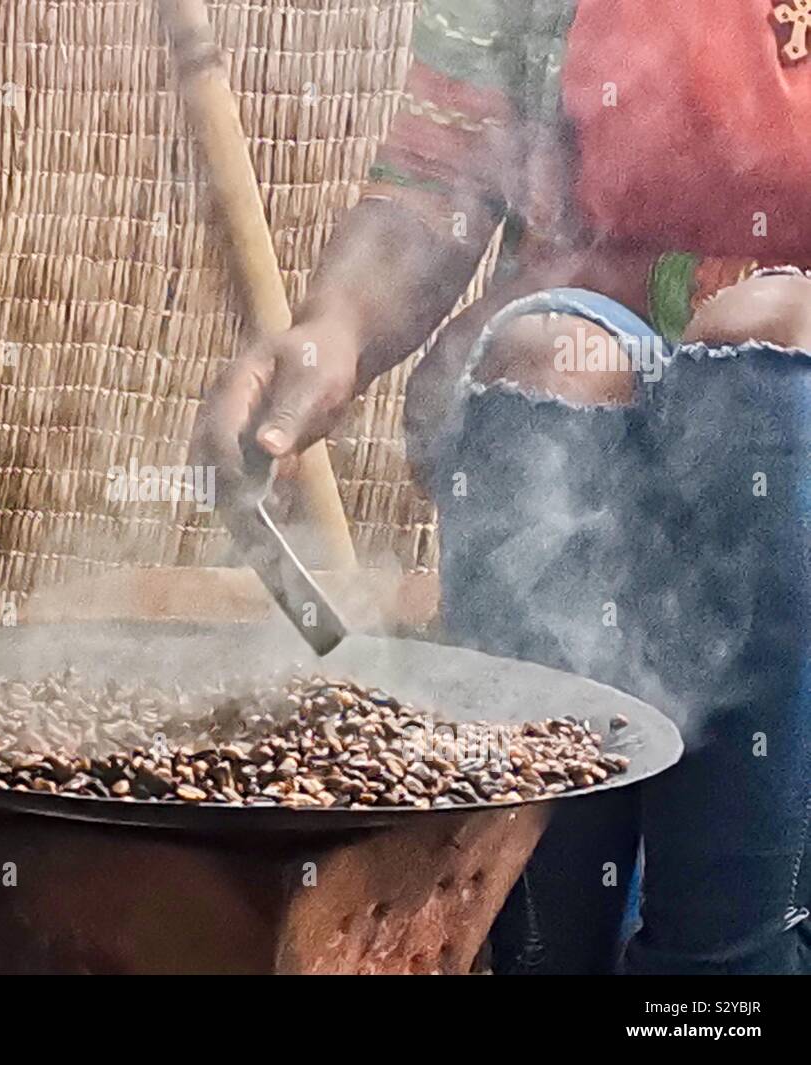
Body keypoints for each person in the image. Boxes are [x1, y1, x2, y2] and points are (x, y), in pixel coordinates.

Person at [194, 0, 811, 974]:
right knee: (548, 360)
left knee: (763, 357)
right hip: (566, 367)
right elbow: (439, 177)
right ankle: (530, 952)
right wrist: (336, 329)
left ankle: (727, 976)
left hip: (785, 410)